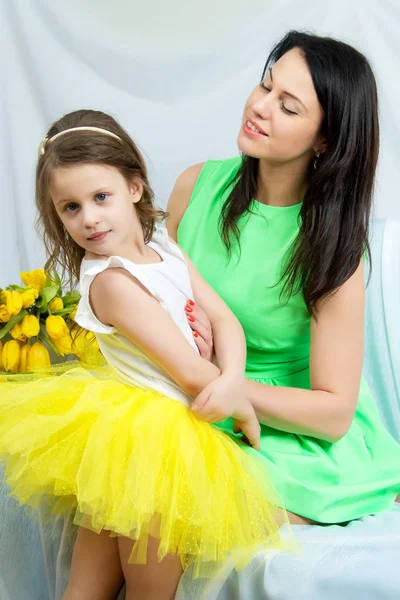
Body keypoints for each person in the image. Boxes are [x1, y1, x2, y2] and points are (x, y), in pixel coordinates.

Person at [0, 110, 291, 600]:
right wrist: (241, 409)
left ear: (134, 187)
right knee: (147, 589)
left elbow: (224, 320)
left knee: (90, 585)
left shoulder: (164, 246)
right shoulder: (111, 283)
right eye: (69, 208)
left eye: (100, 197)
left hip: (127, 445)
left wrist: (234, 377)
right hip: (150, 447)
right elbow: (189, 371)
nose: (88, 218)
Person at [167, 30, 400, 527]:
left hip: (287, 432)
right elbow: (153, 294)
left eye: (289, 107)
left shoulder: (332, 243)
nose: (260, 107)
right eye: (265, 86)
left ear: (325, 140)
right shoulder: (196, 186)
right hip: (187, 393)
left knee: (177, 512)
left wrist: (224, 385)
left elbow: (333, 413)